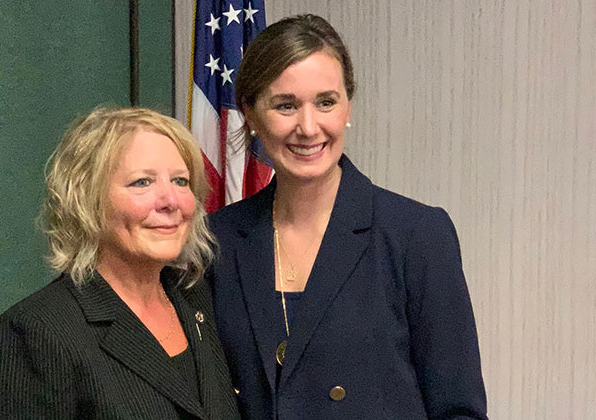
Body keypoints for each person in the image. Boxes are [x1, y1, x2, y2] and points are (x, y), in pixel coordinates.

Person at [207, 14, 487, 419]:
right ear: (250, 114)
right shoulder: (219, 240)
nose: (308, 127)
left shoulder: (416, 235)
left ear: (347, 107)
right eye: (285, 105)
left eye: (326, 102)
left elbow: (458, 409)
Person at [0, 107, 240, 419]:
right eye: (142, 182)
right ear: (87, 201)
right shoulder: (32, 335)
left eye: (180, 181)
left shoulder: (196, 298)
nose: (171, 200)